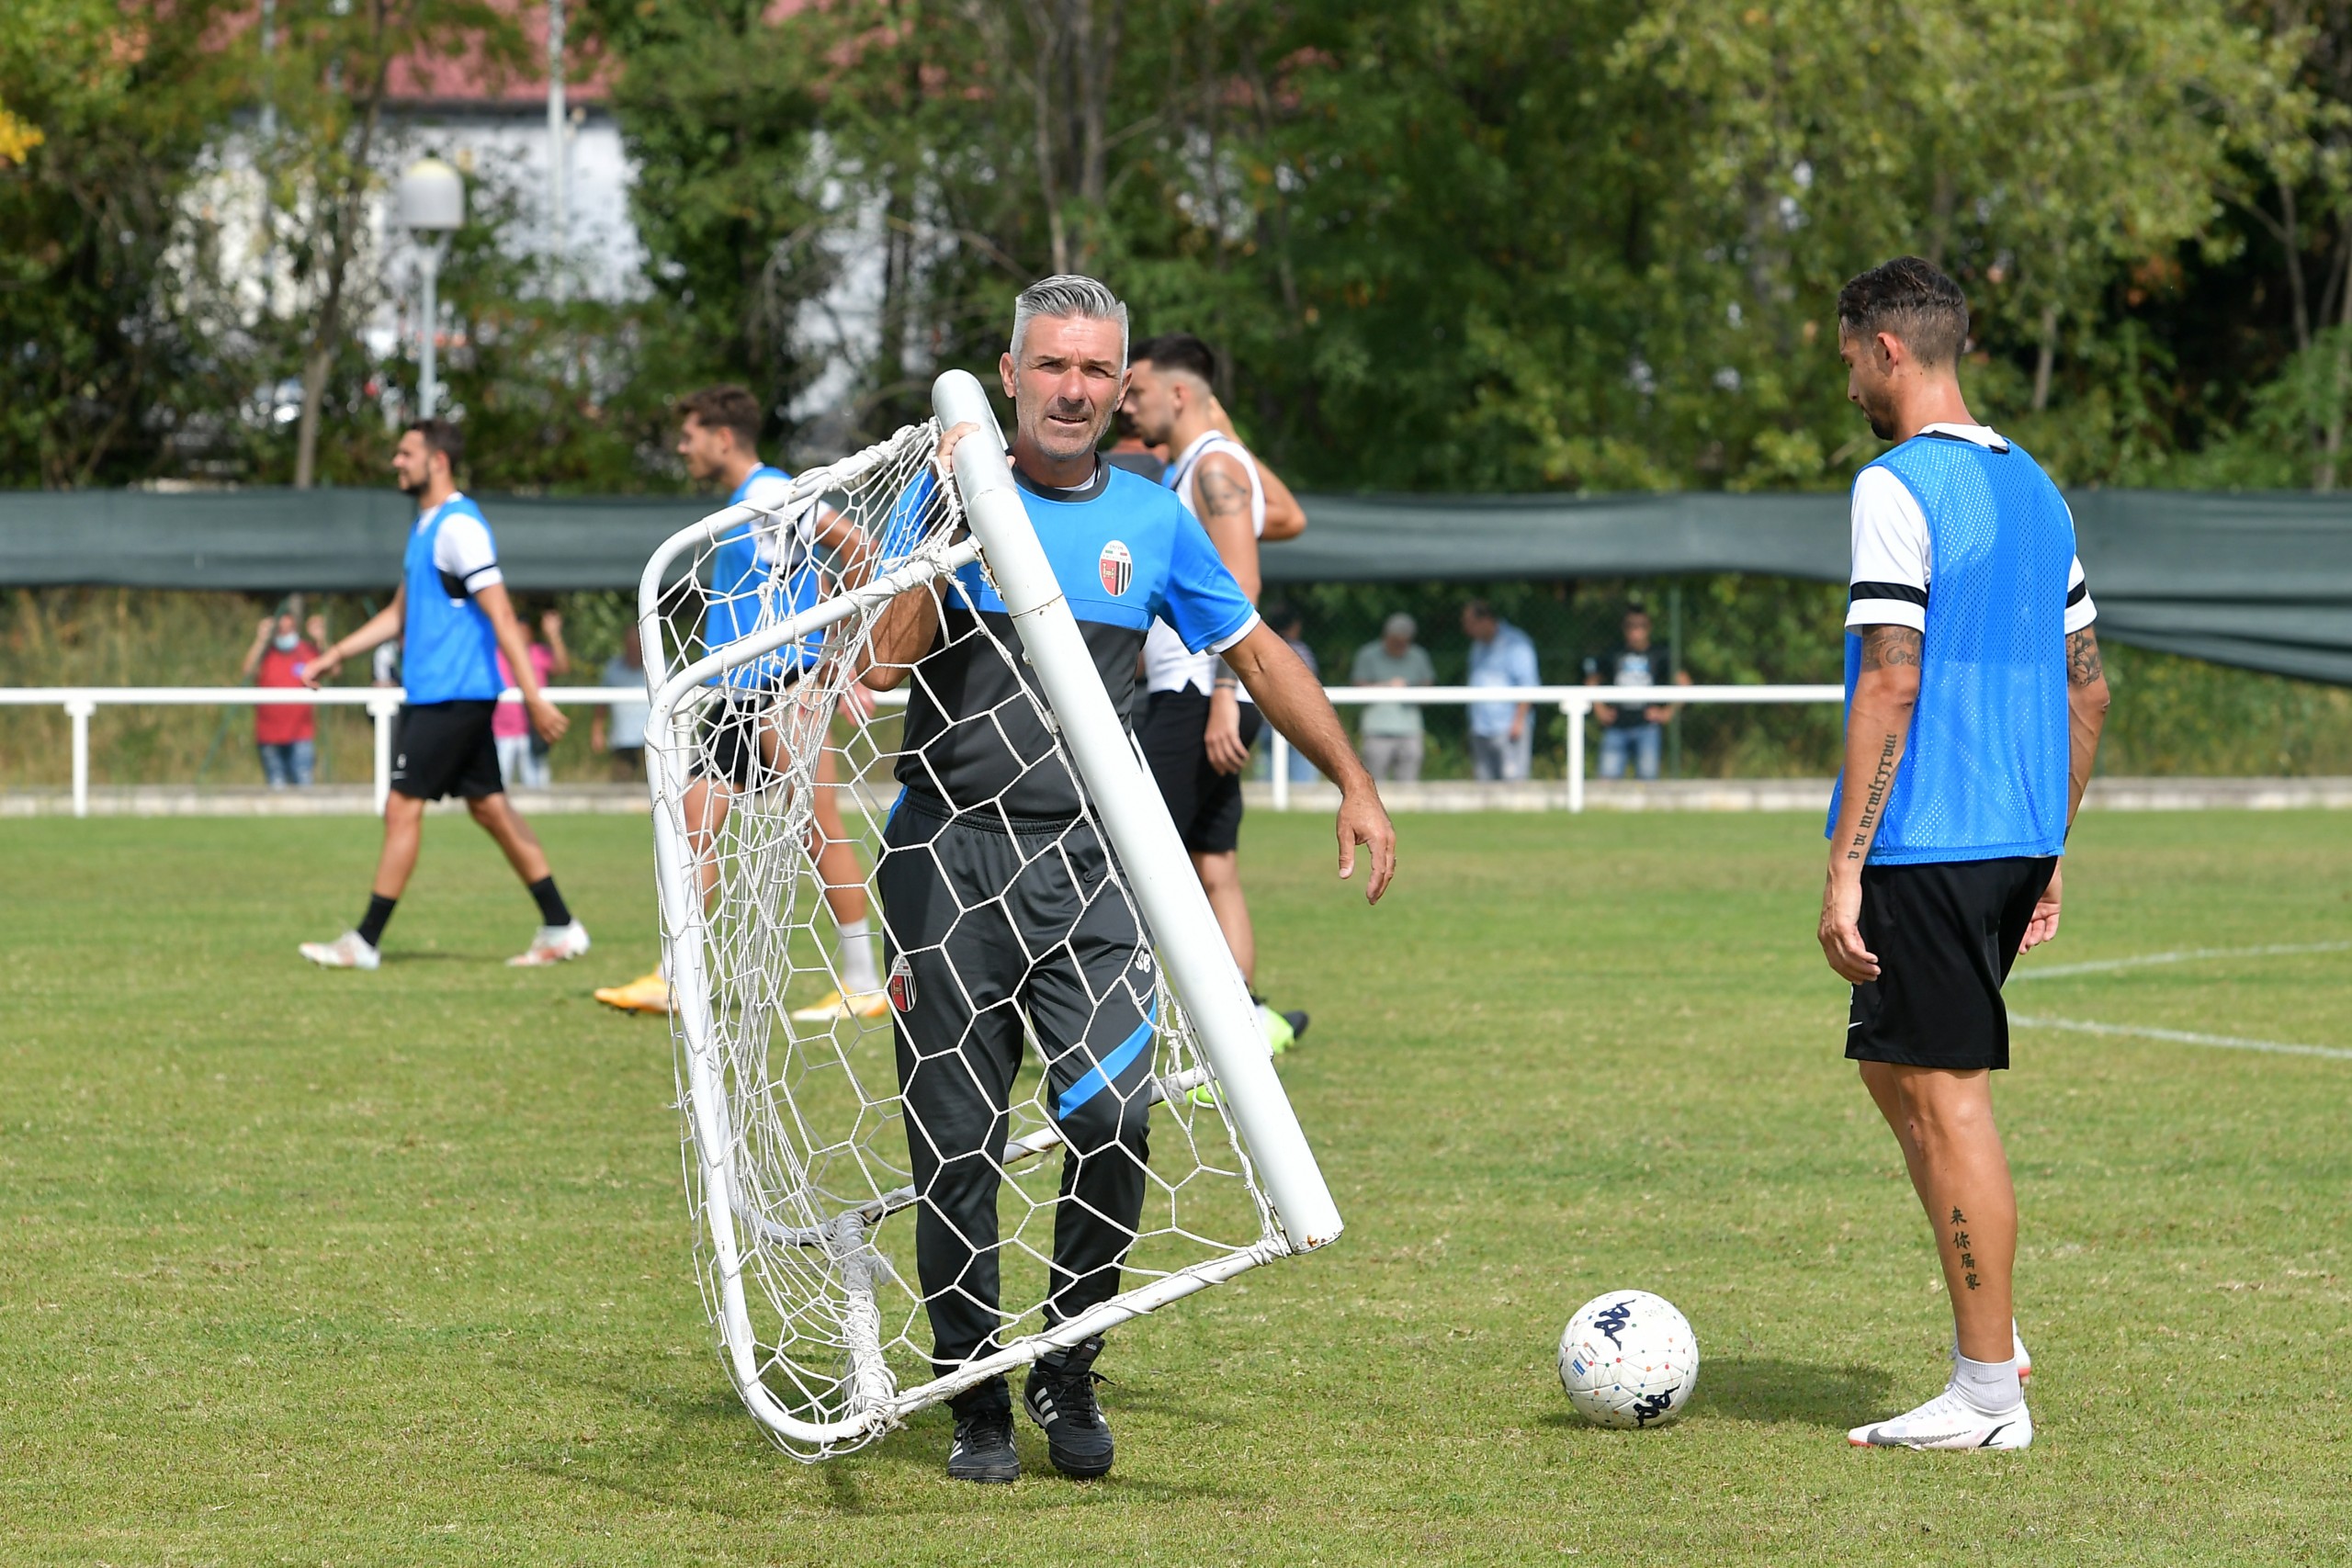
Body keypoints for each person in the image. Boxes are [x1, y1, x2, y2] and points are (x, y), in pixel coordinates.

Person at [860, 275, 1395, 1485]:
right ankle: (977, 1392)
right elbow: (883, 667)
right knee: (959, 1144)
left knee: (1118, 1115)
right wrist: (948, 529)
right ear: (1010, 375)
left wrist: (1354, 777)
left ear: (1121, 389)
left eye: (1097, 371)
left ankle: (1068, 1352)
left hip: (1096, 864)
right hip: (946, 858)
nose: (1074, 389)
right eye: (1052, 366)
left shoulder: (1152, 516)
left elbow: (1253, 645)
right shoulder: (948, 496)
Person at [1818, 256, 2109, 1451]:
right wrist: (2049, 846)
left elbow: (1893, 673)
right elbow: (2088, 690)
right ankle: (1997, 1323)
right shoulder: (2036, 488)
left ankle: (1988, 1393)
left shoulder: (1895, 482)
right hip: (2006, 835)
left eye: (1845, 359)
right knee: (1897, 1074)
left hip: (1928, 836)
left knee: (1948, 1098)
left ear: (1887, 349)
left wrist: (1848, 858)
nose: (1845, 382)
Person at [592, 385, 883, 1022]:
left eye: (690, 434)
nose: (681, 446)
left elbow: (856, 546)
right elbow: (813, 571)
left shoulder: (765, 491)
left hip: (785, 686)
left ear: (724, 438)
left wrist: (841, 651)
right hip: (735, 692)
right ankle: (675, 977)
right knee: (693, 830)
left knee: (816, 824)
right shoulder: (745, 504)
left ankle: (863, 982)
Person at [296, 420, 590, 970]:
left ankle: (364, 942)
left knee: (401, 805)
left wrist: (532, 695)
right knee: (490, 808)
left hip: (453, 696)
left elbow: (501, 611)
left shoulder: (460, 527)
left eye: (405, 453)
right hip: (444, 693)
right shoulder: (426, 525)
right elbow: (399, 613)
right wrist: (337, 654)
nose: (395, 463)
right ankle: (561, 926)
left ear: (437, 461)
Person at [1122, 332, 1310, 1051]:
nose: (1127, 407)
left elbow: (1243, 584)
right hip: (1201, 694)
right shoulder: (1209, 462)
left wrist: (1227, 695)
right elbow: (1286, 516)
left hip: (1201, 694)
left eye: (1136, 390)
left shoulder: (1213, 467)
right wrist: (1222, 427)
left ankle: (1158, 1032)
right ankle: (1249, 1023)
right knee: (1213, 865)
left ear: (1177, 393)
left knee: (1138, 861)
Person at [1582, 607, 1690, 780]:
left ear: (1649, 628)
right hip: (1616, 725)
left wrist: (1668, 712)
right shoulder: (1614, 652)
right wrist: (1600, 709)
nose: (1636, 631)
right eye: (1630, 626)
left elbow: (1684, 682)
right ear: (1624, 628)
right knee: (1607, 782)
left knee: (1647, 783)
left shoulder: (1659, 654)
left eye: (1641, 625)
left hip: (1647, 726)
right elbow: (1591, 681)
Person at [242, 605, 321, 788]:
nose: (285, 633)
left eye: (289, 628)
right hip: (269, 734)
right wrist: (261, 640)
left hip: (301, 733)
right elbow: (247, 671)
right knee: (276, 788)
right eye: (280, 629)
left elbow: (334, 669)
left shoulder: (307, 651)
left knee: (304, 785)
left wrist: (320, 640)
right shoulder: (266, 653)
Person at [1350, 613, 1434, 781]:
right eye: (1395, 641)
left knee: (1408, 784)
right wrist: (1386, 686)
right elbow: (1357, 688)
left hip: (1410, 730)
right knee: (1374, 783)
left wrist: (1409, 690)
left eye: (1403, 642)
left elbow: (1428, 690)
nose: (1399, 646)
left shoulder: (1419, 656)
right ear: (1386, 636)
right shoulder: (1368, 655)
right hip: (1376, 730)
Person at [1462, 599, 1539, 782]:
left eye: (1470, 623)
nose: (1466, 629)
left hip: (1509, 726)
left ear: (1486, 620)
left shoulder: (1517, 644)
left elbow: (1528, 685)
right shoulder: (1477, 646)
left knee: (1514, 783)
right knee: (1484, 783)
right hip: (1481, 727)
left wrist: (1519, 722)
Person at [493, 607, 571, 788]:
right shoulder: (495, 655)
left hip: (533, 732)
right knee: (497, 789)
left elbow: (563, 668)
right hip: (500, 732)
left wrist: (554, 636)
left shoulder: (538, 653)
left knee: (538, 789)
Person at [1266, 604, 1322, 784]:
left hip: (1267, 720)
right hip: (1300, 721)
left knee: (1269, 776)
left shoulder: (1263, 648)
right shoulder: (1300, 651)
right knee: (1303, 780)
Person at [591, 623, 650, 783]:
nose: (633, 649)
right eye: (629, 645)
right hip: (622, 740)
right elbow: (602, 702)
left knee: (655, 788)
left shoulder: (661, 665)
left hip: (653, 740)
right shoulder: (613, 668)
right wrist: (597, 730)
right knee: (621, 790)